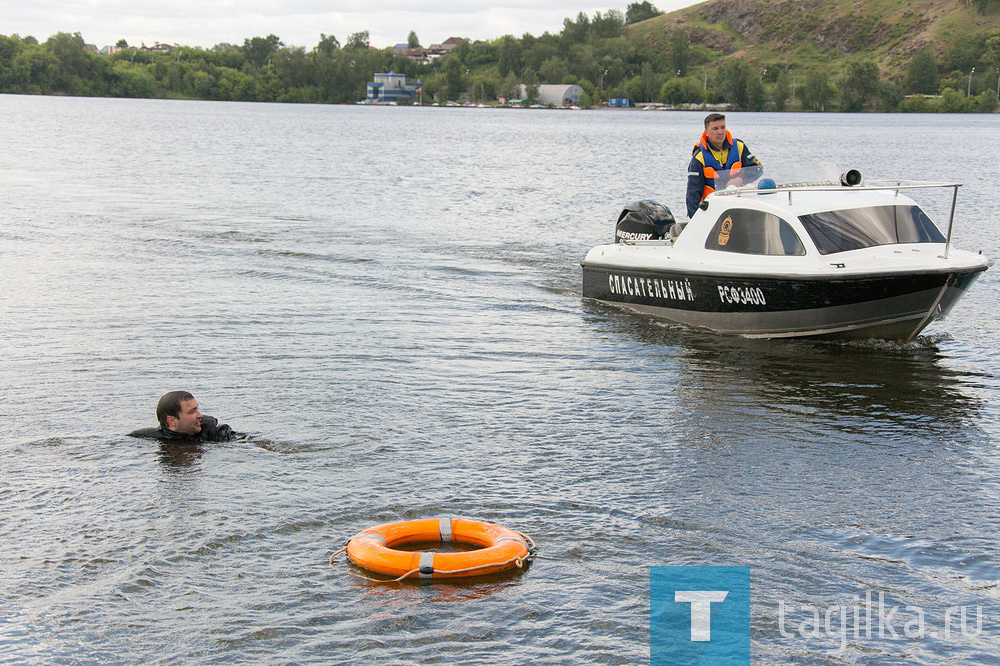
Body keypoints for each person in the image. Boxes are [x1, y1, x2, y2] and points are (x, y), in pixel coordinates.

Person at [686, 113, 762, 218]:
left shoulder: (739, 146)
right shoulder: (699, 157)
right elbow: (692, 193)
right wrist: (695, 220)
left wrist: (741, 179)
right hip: (713, 210)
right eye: (715, 128)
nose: (720, 132)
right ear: (706, 132)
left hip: (738, 206)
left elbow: (758, 169)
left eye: (723, 127)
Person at [129, 391, 242, 442]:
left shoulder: (210, 430)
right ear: (171, 421)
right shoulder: (145, 437)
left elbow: (241, 439)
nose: (200, 415)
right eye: (192, 411)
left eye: (197, 409)